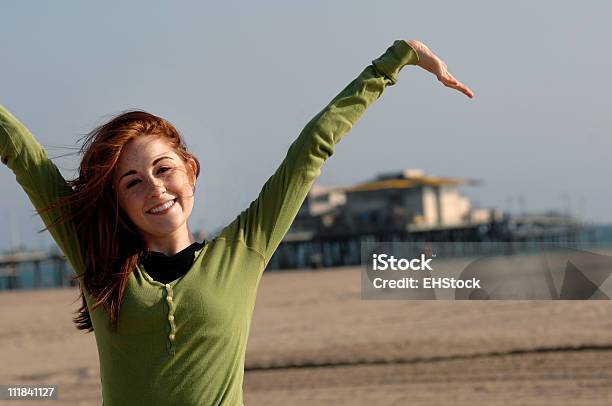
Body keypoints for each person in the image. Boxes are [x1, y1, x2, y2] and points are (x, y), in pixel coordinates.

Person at [0, 39, 473, 405]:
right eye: (133, 182)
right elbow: (23, 154)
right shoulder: (95, 258)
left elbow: (311, 151)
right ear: (118, 201)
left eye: (164, 170)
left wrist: (395, 61)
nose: (155, 189)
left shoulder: (243, 249)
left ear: (190, 170)